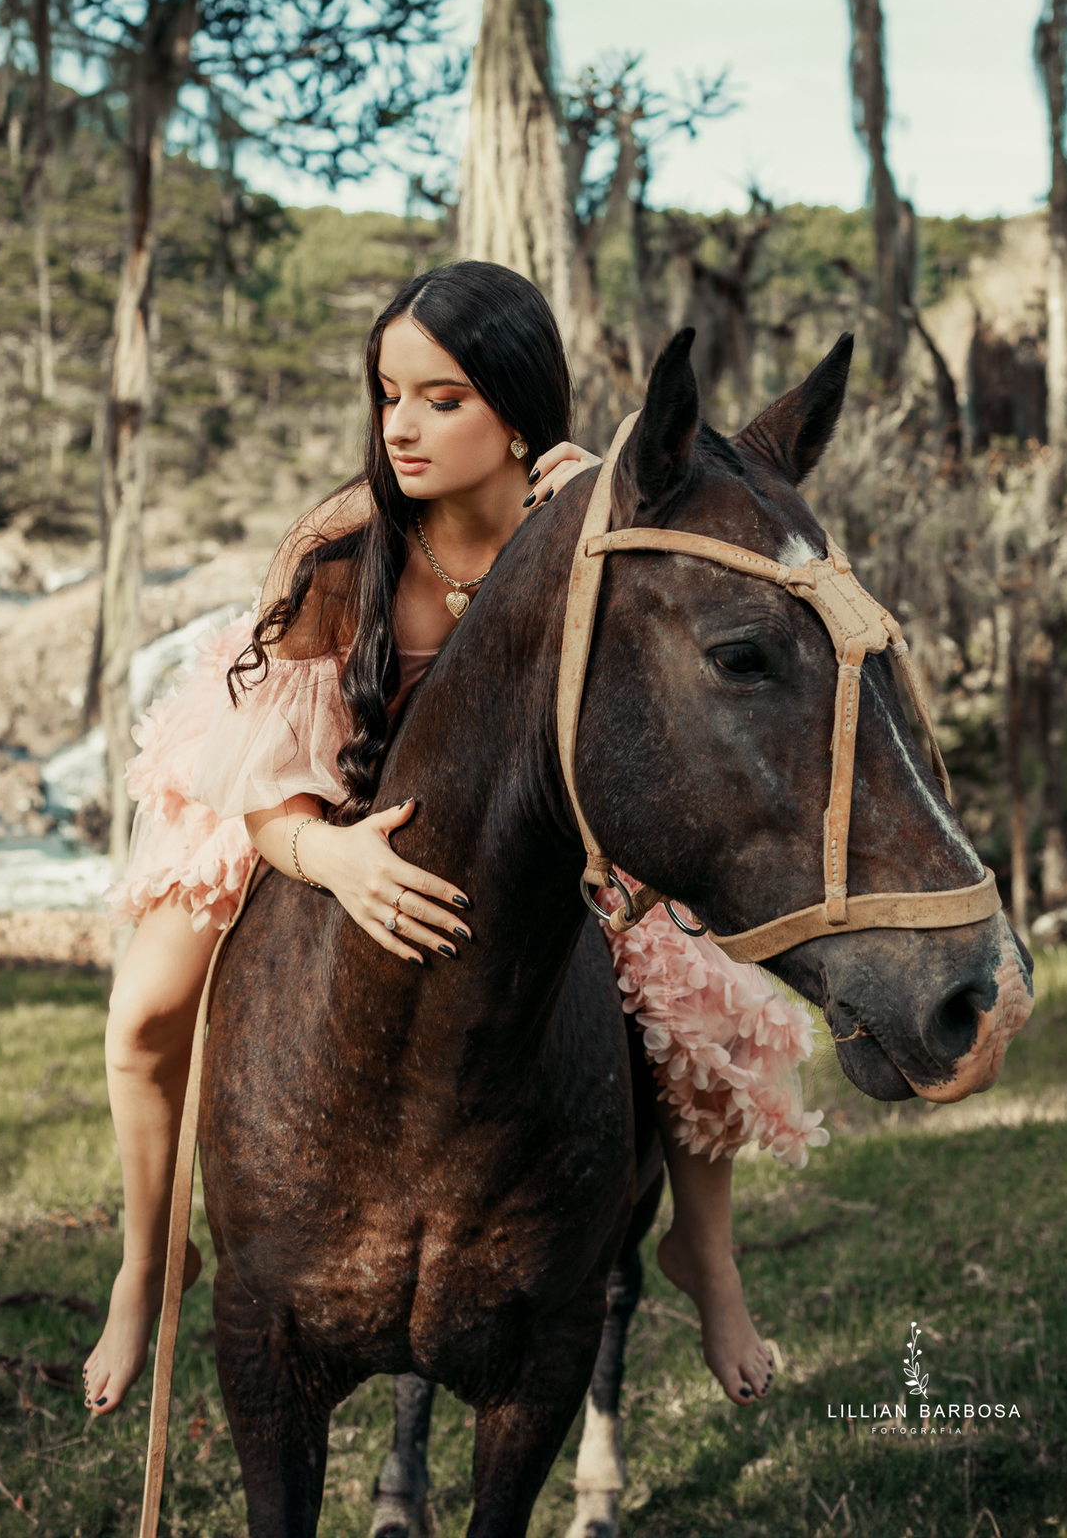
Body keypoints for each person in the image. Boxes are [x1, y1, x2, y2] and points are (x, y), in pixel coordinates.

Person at [81, 260, 826, 1420]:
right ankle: (148, 1263)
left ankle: (707, 1262)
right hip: (318, 791)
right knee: (143, 1015)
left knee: (698, 996)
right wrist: (330, 856)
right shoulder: (345, 546)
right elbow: (273, 767)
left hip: (536, 817)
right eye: (389, 394)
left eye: (442, 398)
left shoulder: (585, 519)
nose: (403, 427)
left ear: (518, 404)